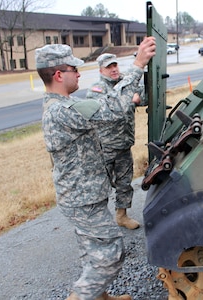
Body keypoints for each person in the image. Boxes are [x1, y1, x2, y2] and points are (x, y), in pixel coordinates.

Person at [35, 37, 156, 300]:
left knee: (91, 251)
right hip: (82, 200)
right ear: (58, 74)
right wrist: (137, 64)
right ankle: (80, 296)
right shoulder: (61, 111)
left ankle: (100, 298)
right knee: (110, 254)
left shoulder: (63, 105)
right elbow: (113, 108)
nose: (79, 74)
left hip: (84, 196)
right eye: (73, 69)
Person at [86, 53, 147, 230]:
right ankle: (98, 220)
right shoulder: (96, 89)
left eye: (115, 66)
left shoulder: (124, 84)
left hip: (124, 145)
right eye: (109, 67)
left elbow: (142, 97)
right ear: (101, 70)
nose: (113, 70)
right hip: (105, 147)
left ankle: (122, 215)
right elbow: (109, 110)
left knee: (124, 183)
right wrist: (130, 99)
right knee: (100, 185)